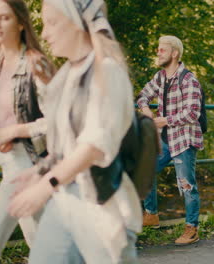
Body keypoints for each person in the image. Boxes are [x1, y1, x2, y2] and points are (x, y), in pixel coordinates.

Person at [8, 0, 142, 263]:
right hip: (65, 199)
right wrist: (39, 171)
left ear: (78, 24)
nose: (44, 34)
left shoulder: (108, 73)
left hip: (100, 204)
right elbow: (64, 141)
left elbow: (93, 146)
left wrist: (45, 186)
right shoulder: (65, 76)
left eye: (52, 23)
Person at [0, 0, 55, 263]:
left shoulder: (37, 64)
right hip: (10, 163)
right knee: (45, 247)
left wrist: (13, 130)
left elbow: (61, 120)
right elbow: (10, 108)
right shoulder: (1, 59)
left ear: (20, 23)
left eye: (4, 18)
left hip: (31, 164)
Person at [137, 35, 204, 245]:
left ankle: (192, 229)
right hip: (165, 139)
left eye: (162, 50)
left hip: (184, 139)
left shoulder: (188, 79)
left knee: (187, 186)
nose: (158, 52)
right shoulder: (160, 77)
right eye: (158, 49)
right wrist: (147, 111)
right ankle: (152, 214)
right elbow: (142, 96)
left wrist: (164, 120)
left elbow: (193, 113)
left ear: (174, 53)